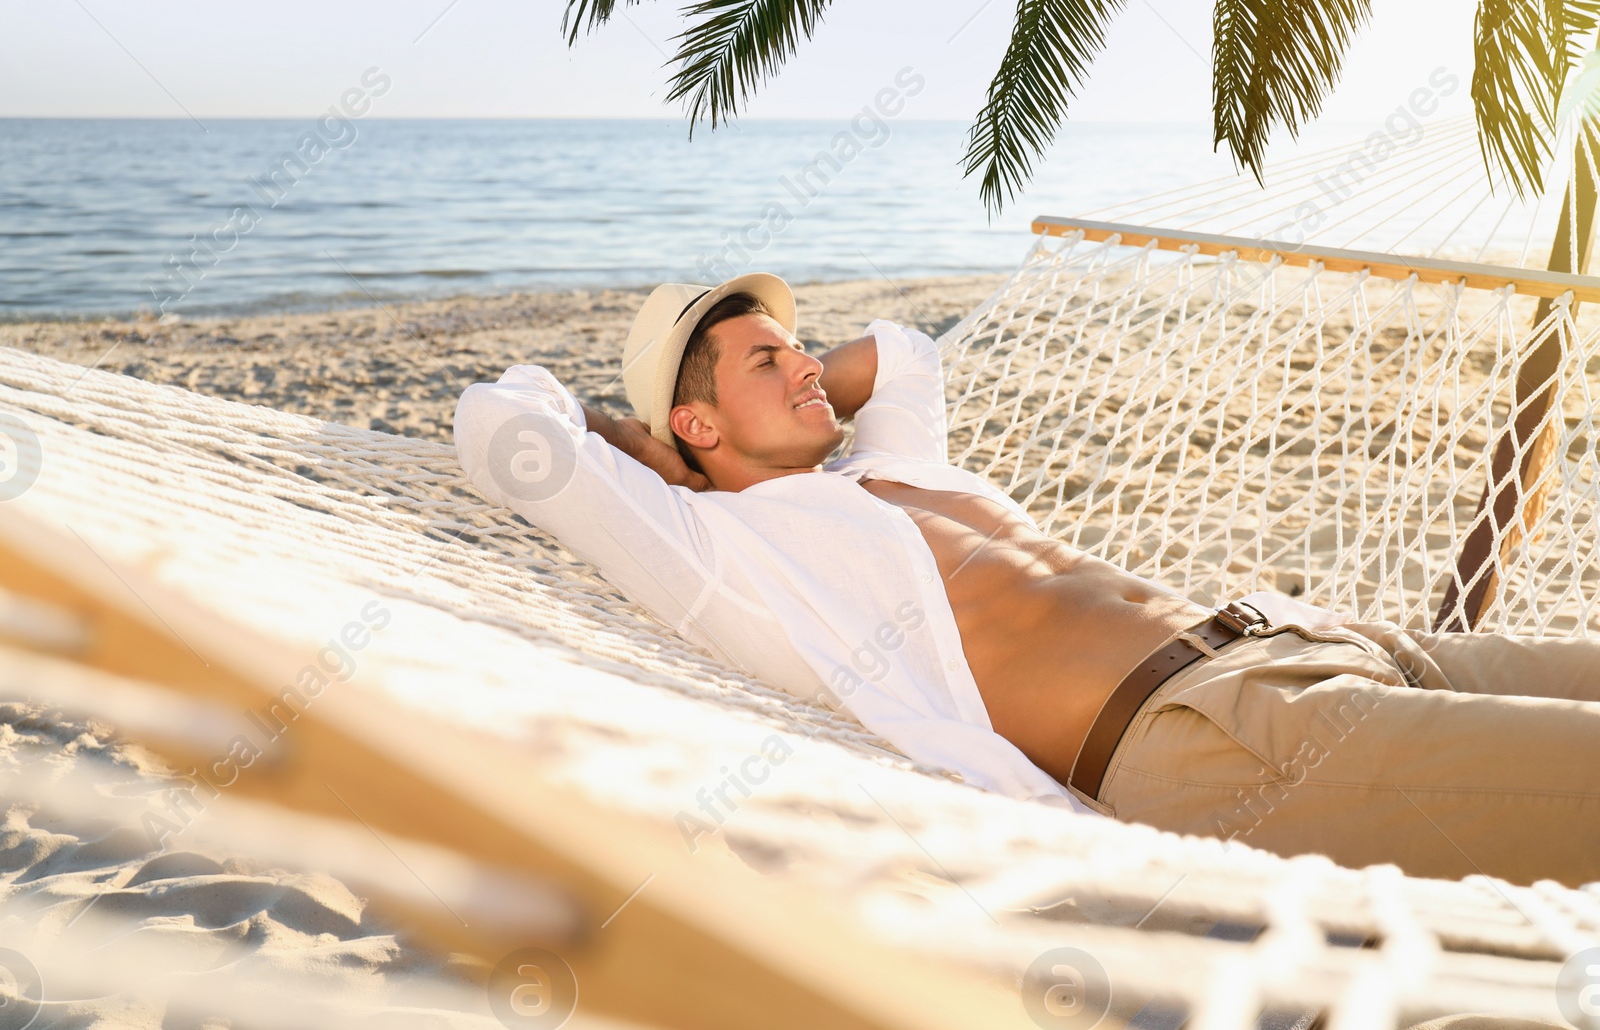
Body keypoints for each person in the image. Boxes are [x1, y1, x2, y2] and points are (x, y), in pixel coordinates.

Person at [454, 273, 1600, 886]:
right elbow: (501, 426)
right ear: (694, 420)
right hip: (1226, 741)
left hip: (1315, 636)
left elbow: (904, 350)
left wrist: (780, 390)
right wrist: (654, 452)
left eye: (802, 349)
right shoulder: (727, 553)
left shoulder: (893, 465)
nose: (807, 363)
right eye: (768, 359)